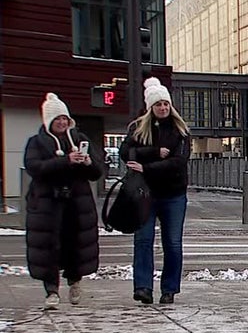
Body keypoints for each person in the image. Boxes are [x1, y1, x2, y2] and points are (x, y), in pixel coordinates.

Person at [23, 93, 103, 309]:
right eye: (57, 119)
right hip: (47, 204)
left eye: (64, 118)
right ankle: (51, 291)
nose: (61, 122)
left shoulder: (80, 139)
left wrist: (87, 162)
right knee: (49, 246)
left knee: (75, 243)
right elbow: (34, 167)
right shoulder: (36, 143)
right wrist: (64, 161)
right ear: (48, 121)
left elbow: (97, 171)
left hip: (77, 203)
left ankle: (75, 281)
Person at [120, 77, 192, 305]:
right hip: (145, 193)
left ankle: (169, 288)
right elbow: (126, 152)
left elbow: (178, 162)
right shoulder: (138, 128)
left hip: (173, 194)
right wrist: (152, 152)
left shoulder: (180, 131)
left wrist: (146, 167)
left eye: (166, 104)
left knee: (172, 243)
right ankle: (143, 287)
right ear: (150, 107)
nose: (163, 108)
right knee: (143, 240)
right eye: (158, 104)